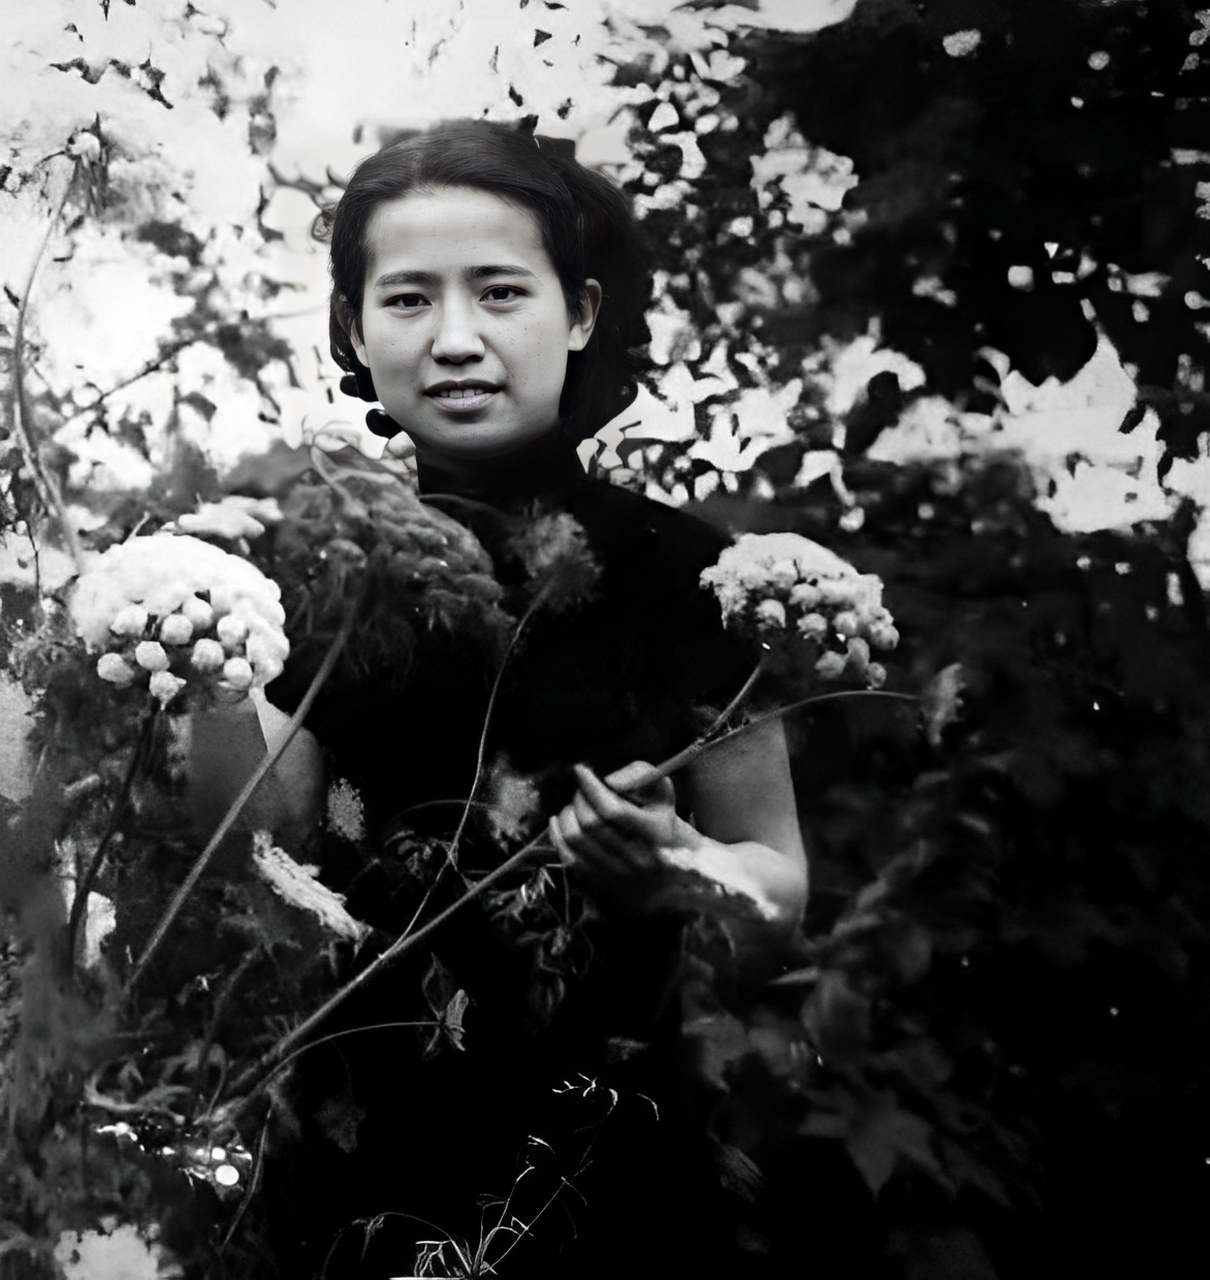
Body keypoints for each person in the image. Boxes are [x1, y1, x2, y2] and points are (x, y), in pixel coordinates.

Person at [251, 119, 808, 1278]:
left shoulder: (690, 577)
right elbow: (254, 845)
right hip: (357, 1188)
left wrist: (682, 866)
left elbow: (777, 886)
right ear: (354, 329)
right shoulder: (306, 572)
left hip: (607, 1184)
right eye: (407, 300)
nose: (456, 339)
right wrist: (189, 662)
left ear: (583, 312)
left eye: (500, 291)